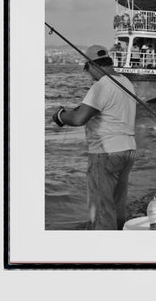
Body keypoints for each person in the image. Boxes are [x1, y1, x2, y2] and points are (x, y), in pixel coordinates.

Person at [52, 45, 137, 230]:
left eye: (87, 69)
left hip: (105, 152)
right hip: (128, 149)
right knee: (117, 204)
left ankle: (103, 251)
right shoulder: (126, 82)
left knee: (101, 210)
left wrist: (60, 116)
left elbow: (79, 118)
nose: (89, 75)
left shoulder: (102, 86)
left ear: (91, 65)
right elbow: (107, 110)